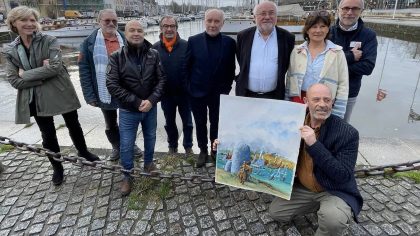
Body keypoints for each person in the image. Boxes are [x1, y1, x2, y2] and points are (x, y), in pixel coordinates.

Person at [2, 6, 99, 186]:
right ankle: (57, 168)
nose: (30, 24)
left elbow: (54, 67)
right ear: (14, 23)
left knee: (73, 124)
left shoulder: (49, 40)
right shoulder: (11, 50)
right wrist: (41, 74)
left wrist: (25, 74)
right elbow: (14, 81)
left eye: (32, 20)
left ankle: (83, 152)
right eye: (24, 20)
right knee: (47, 133)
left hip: (60, 90)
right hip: (36, 95)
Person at [269, 84, 362, 236]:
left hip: (333, 190)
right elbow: (265, 142)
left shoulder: (348, 133)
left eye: (327, 100)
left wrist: (314, 145)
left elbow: (343, 175)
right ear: (306, 101)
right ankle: (318, 206)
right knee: (276, 212)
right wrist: (225, 143)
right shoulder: (293, 122)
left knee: (333, 221)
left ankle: (335, 210)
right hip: (304, 188)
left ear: (332, 102)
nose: (322, 104)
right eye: (316, 99)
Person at [106, 20, 166, 196]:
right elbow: (112, 84)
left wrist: (152, 100)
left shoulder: (153, 55)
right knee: (126, 145)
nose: (136, 33)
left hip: (150, 108)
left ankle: (148, 163)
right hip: (128, 110)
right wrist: (135, 101)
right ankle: (127, 174)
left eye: (140, 30)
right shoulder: (116, 56)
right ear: (125, 33)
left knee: (150, 137)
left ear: (144, 33)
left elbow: (162, 79)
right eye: (132, 30)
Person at [79, 9, 142, 161]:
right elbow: (84, 71)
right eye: (107, 20)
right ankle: (116, 146)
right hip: (104, 90)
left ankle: (131, 144)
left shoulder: (125, 37)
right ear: (99, 21)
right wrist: (89, 95)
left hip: (127, 89)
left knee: (130, 120)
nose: (111, 23)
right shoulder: (88, 43)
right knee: (110, 122)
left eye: (114, 20)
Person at [186, 9, 236, 167]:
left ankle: (215, 150)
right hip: (197, 92)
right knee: (200, 123)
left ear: (222, 23)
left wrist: (227, 89)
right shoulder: (193, 41)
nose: (212, 24)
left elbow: (231, 68)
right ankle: (202, 150)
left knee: (216, 123)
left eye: (216, 21)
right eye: (209, 21)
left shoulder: (229, 43)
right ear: (204, 21)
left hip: (219, 93)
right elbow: (186, 67)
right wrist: (189, 88)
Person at [286, 10, 349, 118]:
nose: (318, 30)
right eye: (314, 26)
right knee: (299, 133)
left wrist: (338, 113)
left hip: (324, 105)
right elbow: (289, 80)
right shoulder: (297, 51)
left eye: (322, 26)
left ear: (328, 29)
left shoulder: (337, 53)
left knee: (321, 133)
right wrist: (286, 104)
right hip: (299, 103)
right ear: (307, 30)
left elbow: (343, 85)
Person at [236, 0, 295, 100]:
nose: (267, 17)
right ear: (255, 17)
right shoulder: (243, 36)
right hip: (246, 95)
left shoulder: (287, 37)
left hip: (275, 96)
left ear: (276, 16)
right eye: (262, 13)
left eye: (271, 13)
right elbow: (241, 61)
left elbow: (286, 65)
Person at [330, 0, 378, 122]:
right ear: (338, 10)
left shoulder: (368, 35)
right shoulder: (327, 32)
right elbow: (319, 60)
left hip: (349, 92)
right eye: (345, 8)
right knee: (317, 126)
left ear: (361, 11)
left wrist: (334, 66)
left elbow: (367, 67)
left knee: (341, 128)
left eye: (355, 8)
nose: (349, 12)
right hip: (324, 89)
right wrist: (350, 57)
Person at [152, 16, 193, 155]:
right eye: (165, 26)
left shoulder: (187, 46)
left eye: (172, 26)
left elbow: (193, 69)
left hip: (185, 94)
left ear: (176, 27)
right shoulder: (155, 48)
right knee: (169, 122)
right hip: (166, 94)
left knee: (187, 122)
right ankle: (172, 146)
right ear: (161, 28)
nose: (169, 29)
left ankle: (188, 146)